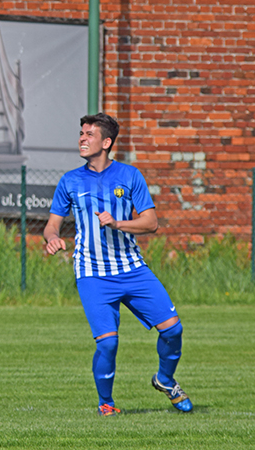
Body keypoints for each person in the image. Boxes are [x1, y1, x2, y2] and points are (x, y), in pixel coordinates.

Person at [43, 113, 193, 416]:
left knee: (173, 330)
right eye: (81, 133)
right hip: (92, 274)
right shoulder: (70, 180)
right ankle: (106, 404)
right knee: (108, 344)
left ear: (106, 142)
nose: (82, 139)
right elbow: (51, 225)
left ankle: (165, 380)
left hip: (132, 269)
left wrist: (118, 223)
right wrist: (52, 238)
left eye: (89, 134)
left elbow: (151, 223)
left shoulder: (130, 175)